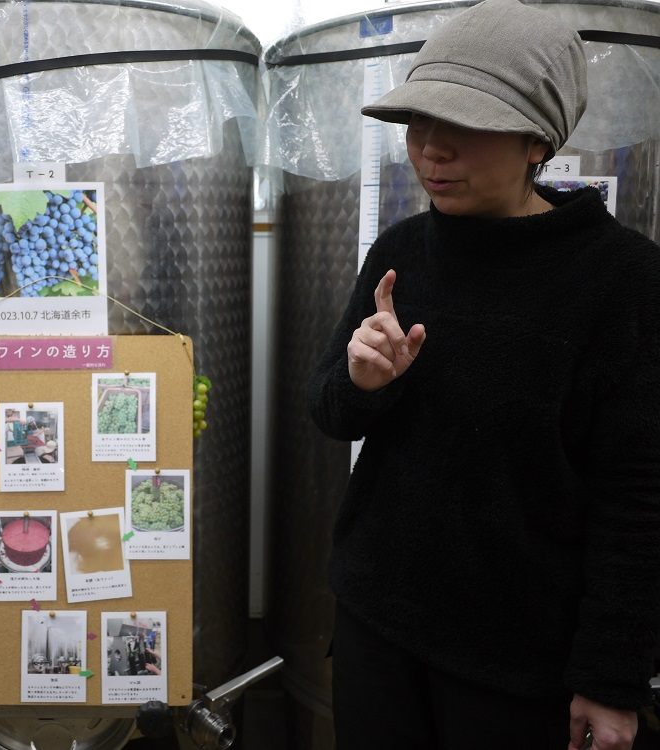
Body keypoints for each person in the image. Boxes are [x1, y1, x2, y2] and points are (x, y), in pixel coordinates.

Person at [306, 1, 660, 749]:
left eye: (464, 125)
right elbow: (329, 412)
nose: (431, 150)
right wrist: (363, 383)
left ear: (539, 139)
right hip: (377, 624)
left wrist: (610, 677)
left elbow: (638, 497)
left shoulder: (622, 279)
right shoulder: (404, 249)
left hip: (520, 661)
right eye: (418, 123)